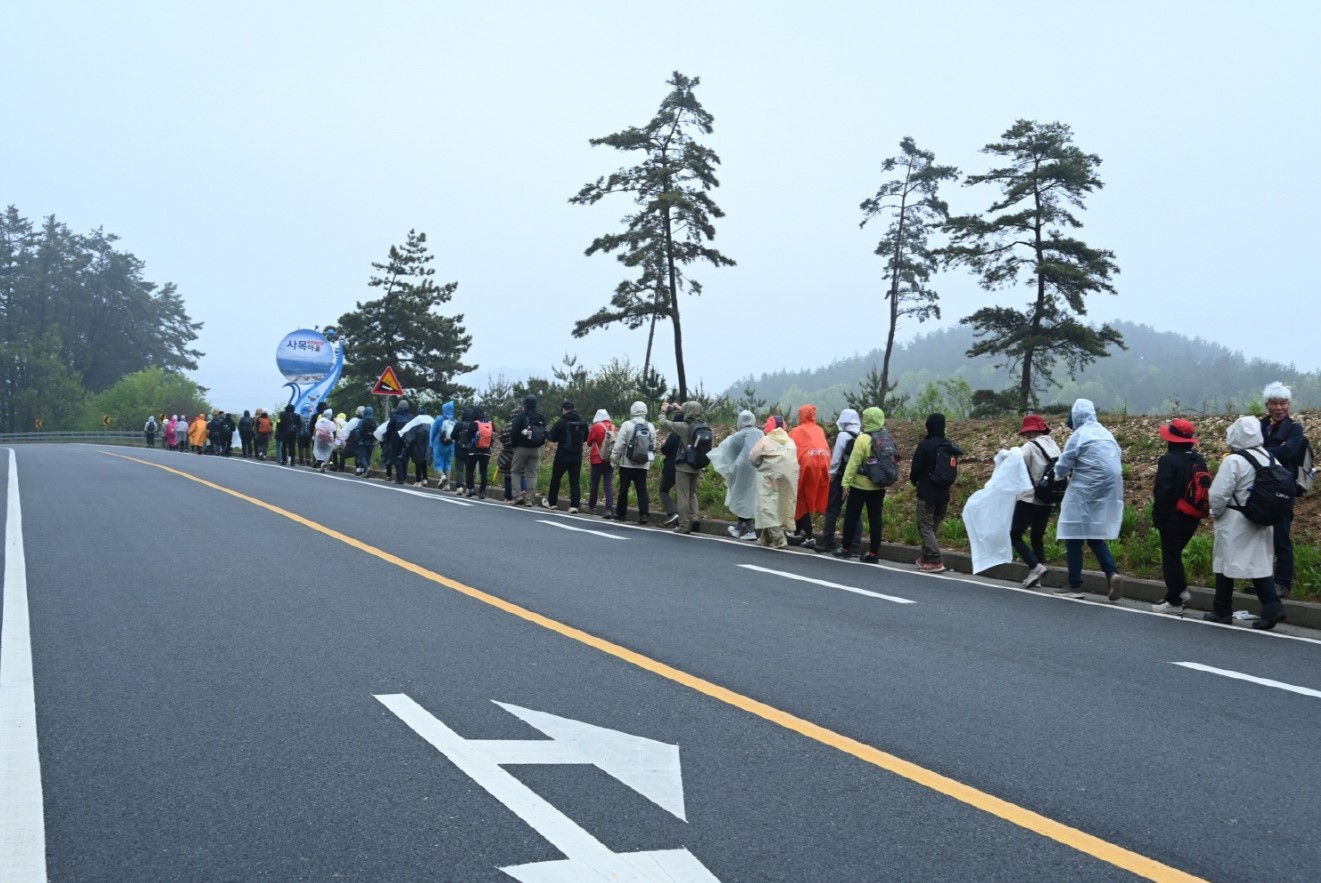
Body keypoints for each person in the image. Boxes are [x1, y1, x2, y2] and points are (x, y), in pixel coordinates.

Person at [1204, 416, 1288, 629]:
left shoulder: (1234, 460)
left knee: (1224, 562)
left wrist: (1215, 512)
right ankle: (1271, 606)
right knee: (1258, 564)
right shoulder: (1269, 457)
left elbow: (1219, 494)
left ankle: (1222, 609)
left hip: (1235, 519)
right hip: (1262, 518)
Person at [1054, 399, 1124, 601]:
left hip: (1084, 488)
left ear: (1076, 415)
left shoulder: (1079, 435)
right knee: (1094, 534)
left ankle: (1074, 585)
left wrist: (1057, 475)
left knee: (1073, 533)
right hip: (1108, 489)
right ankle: (1112, 573)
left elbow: (1064, 463)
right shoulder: (1106, 433)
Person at [1150, 419, 1206, 615]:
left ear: (1171, 440)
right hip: (1193, 515)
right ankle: (1177, 591)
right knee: (1175, 555)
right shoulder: (1198, 460)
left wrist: (1158, 517)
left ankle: (1175, 599)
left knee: (1171, 557)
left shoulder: (1168, 460)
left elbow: (1163, 492)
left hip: (1174, 516)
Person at [1259, 382, 1307, 598]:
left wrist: (1258, 451)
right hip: (1260, 489)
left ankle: (1283, 582)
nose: (1279, 408)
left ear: (1289, 404)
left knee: (1281, 536)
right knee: (1261, 537)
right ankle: (1265, 582)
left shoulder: (1295, 428)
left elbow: (1288, 451)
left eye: (1283, 403)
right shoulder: (1260, 425)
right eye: (1274, 403)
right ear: (1267, 405)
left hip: (1282, 490)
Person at [833, 407, 892, 564]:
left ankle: (846, 549)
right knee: (875, 520)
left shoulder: (863, 439)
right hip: (878, 485)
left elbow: (853, 463)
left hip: (859, 485)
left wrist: (845, 483)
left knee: (852, 516)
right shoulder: (886, 437)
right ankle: (873, 553)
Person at [1012, 415, 1059, 587]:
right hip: (1048, 497)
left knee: (1015, 534)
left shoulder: (1029, 447)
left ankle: (1036, 566)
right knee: (1037, 537)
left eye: (1026, 433)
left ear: (1031, 430)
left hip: (1029, 497)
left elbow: (1016, 464)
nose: (1025, 436)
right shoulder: (1054, 445)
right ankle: (1036, 576)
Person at [910, 413, 961, 573]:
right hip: (944, 493)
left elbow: (916, 469)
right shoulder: (949, 446)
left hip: (927, 492)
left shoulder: (925, 445)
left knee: (925, 527)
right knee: (933, 528)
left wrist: (914, 480)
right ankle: (925, 558)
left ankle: (936, 560)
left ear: (928, 426)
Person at [812, 409, 863, 554]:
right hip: (857, 477)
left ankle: (828, 542)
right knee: (855, 511)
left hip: (841, 476)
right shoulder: (862, 435)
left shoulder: (843, 435)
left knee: (832, 509)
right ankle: (855, 544)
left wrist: (832, 474)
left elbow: (837, 457)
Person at [709, 410, 763, 540]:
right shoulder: (760, 433)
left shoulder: (737, 436)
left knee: (741, 499)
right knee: (747, 499)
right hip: (758, 471)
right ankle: (738, 529)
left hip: (741, 473)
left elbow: (727, 451)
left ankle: (749, 531)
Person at [747, 415, 798, 548]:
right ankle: (765, 539)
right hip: (788, 478)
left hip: (769, 476)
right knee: (779, 506)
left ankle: (779, 539)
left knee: (767, 506)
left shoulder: (765, 440)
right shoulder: (790, 441)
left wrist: (760, 466)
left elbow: (753, 458)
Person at [659, 401, 707, 534]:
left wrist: (663, 411)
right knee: (692, 494)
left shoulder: (682, 427)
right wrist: (682, 409)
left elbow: (664, 423)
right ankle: (695, 517)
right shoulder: (703, 426)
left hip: (684, 465)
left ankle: (684, 525)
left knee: (683, 495)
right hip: (697, 464)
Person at [789, 404, 831, 545]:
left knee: (801, 499)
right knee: (807, 498)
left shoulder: (797, 431)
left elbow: (788, 449)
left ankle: (808, 536)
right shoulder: (819, 430)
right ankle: (796, 532)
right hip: (823, 466)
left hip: (805, 467)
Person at [610, 401, 655, 524]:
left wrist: (613, 459)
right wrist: (650, 461)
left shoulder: (627, 425)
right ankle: (644, 514)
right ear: (645, 410)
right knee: (642, 489)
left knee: (624, 488)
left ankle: (621, 513)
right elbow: (652, 446)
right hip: (643, 464)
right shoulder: (650, 426)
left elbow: (619, 444)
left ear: (632, 410)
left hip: (627, 463)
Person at [544, 401, 587, 513]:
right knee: (574, 481)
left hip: (562, 455)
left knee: (556, 479)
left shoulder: (561, 422)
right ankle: (574, 506)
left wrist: (546, 434)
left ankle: (552, 503)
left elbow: (552, 437)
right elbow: (586, 437)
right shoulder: (582, 422)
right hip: (577, 457)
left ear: (564, 409)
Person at [509, 395, 546, 506]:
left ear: (525, 404)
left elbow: (514, 432)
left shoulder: (520, 417)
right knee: (532, 474)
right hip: (535, 449)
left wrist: (515, 445)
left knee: (515, 472)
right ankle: (529, 499)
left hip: (521, 448)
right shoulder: (540, 417)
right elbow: (545, 432)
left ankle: (517, 496)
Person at [586, 409, 616, 517]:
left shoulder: (597, 427)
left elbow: (589, 442)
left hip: (597, 459)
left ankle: (591, 506)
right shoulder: (613, 427)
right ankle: (609, 509)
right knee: (608, 484)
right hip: (610, 460)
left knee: (595, 484)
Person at [463, 408, 493, 498]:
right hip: (486, 451)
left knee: (469, 470)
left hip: (474, 451)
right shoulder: (490, 423)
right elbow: (492, 437)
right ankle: (482, 492)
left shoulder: (474, 423)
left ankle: (470, 489)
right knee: (483, 471)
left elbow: (468, 437)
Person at [657, 420, 682, 526]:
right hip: (685, 467)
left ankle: (672, 513)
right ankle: (685, 517)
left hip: (671, 467)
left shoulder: (674, 434)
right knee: (682, 493)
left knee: (663, 490)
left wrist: (663, 445)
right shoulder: (689, 432)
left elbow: (665, 450)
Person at [383, 399, 413, 485]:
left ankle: (400, 478)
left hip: (396, 440)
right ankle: (404, 476)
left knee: (396, 458)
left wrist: (387, 440)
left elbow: (389, 429)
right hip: (408, 440)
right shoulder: (411, 417)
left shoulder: (395, 416)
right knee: (405, 458)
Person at [430, 401, 457, 491]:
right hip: (450, 445)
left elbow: (433, 431)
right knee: (448, 464)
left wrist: (431, 442)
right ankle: (447, 485)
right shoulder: (455, 421)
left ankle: (442, 476)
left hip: (439, 443)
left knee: (438, 463)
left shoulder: (439, 418)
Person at [354, 406, 377, 475]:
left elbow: (358, 430)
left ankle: (367, 468)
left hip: (362, 442)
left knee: (362, 456)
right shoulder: (375, 421)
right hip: (372, 442)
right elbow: (377, 431)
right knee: (368, 457)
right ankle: (366, 471)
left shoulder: (362, 421)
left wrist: (358, 439)